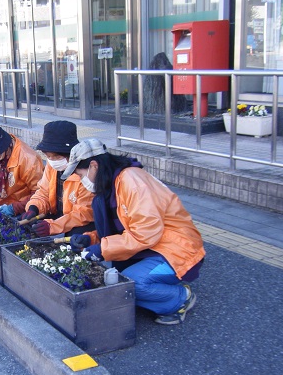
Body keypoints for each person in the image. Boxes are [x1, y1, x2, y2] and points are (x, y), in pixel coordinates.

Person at [64, 138, 206, 325]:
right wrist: (89, 239)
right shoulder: (111, 185)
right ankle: (156, 290)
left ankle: (180, 298)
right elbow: (119, 228)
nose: (81, 181)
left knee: (130, 284)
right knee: (122, 286)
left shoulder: (132, 181)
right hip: (154, 247)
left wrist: (103, 249)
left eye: (80, 174)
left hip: (177, 249)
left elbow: (146, 233)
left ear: (94, 165)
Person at [20, 121, 94, 237]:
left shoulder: (85, 172)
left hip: (77, 223)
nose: (52, 160)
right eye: (48, 156)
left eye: (57, 156)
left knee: (76, 234)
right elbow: (43, 192)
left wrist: (52, 226)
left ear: (71, 153)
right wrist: (34, 207)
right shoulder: (52, 165)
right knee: (31, 224)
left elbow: (83, 214)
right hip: (57, 217)